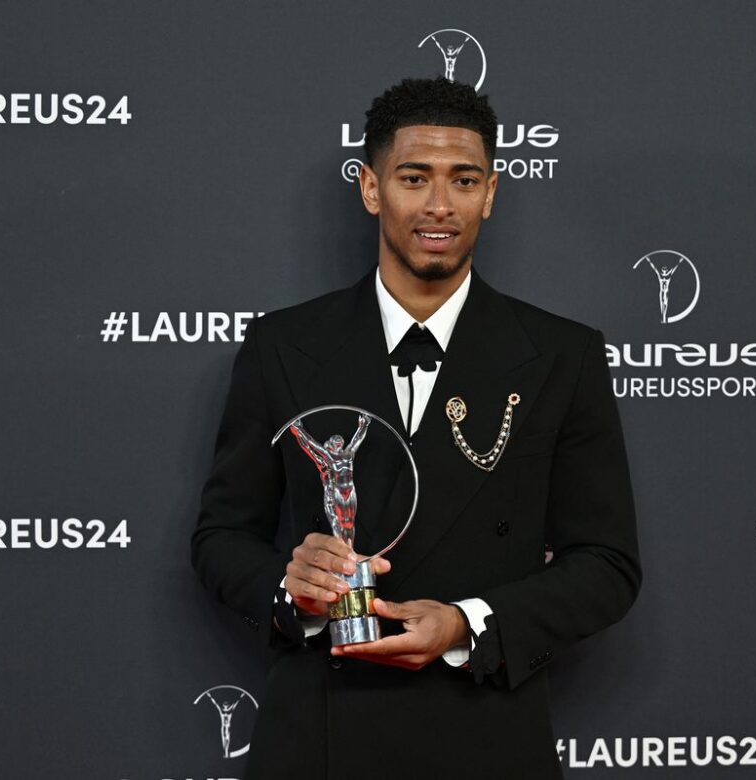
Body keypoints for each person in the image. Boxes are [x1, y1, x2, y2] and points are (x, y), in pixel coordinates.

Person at [192, 77, 641, 779]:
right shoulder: (282, 345)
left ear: (490, 194)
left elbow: (607, 565)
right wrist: (291, 590)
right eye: (413, 178)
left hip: (486, 737)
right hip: (320, 740)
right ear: (371, 189)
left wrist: (466, 623)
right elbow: (221, 537)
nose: (439, 205)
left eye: (464, 180)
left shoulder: (564, 355)